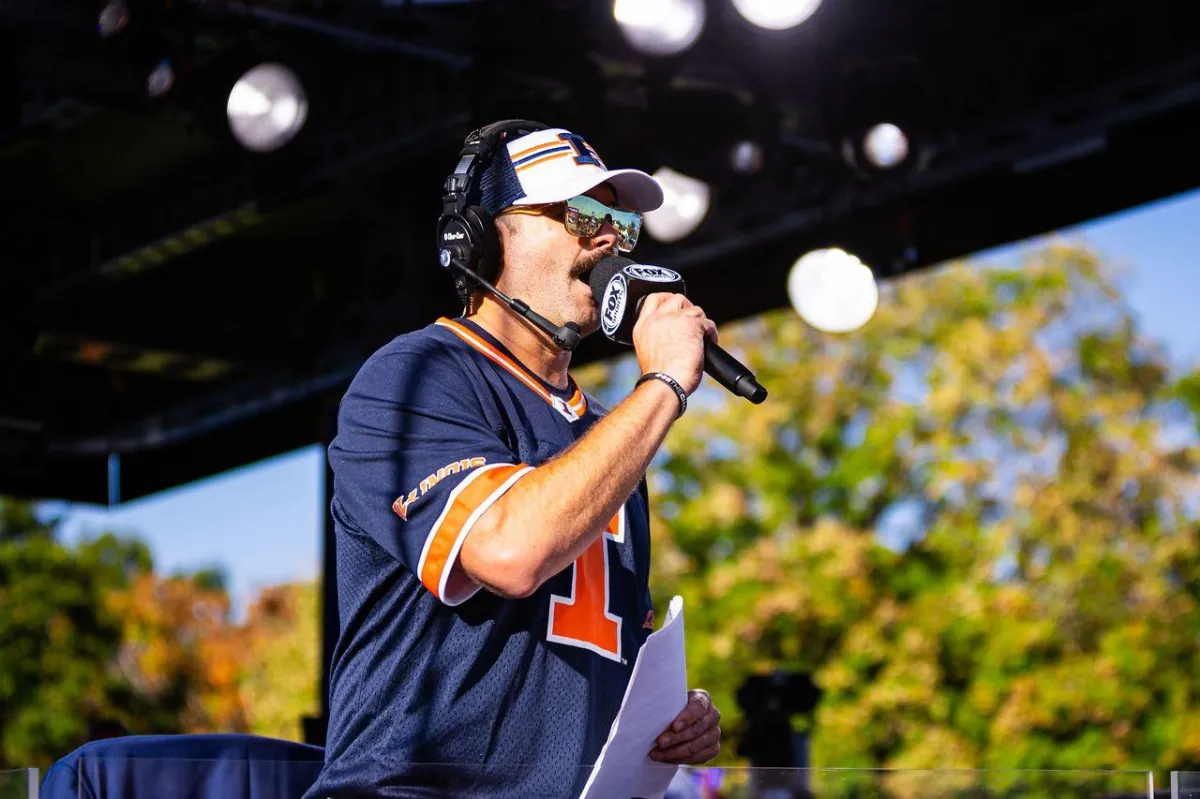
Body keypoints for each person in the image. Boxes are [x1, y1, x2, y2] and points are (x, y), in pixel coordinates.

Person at [304, 120, 722, 799]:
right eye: (580, 214)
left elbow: (585, 651)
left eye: (620, 222)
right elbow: (510, 553)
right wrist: (665, 384)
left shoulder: (610, 435)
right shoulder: (415, 375)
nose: (609, 236)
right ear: (480, 233)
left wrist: (667, 717)